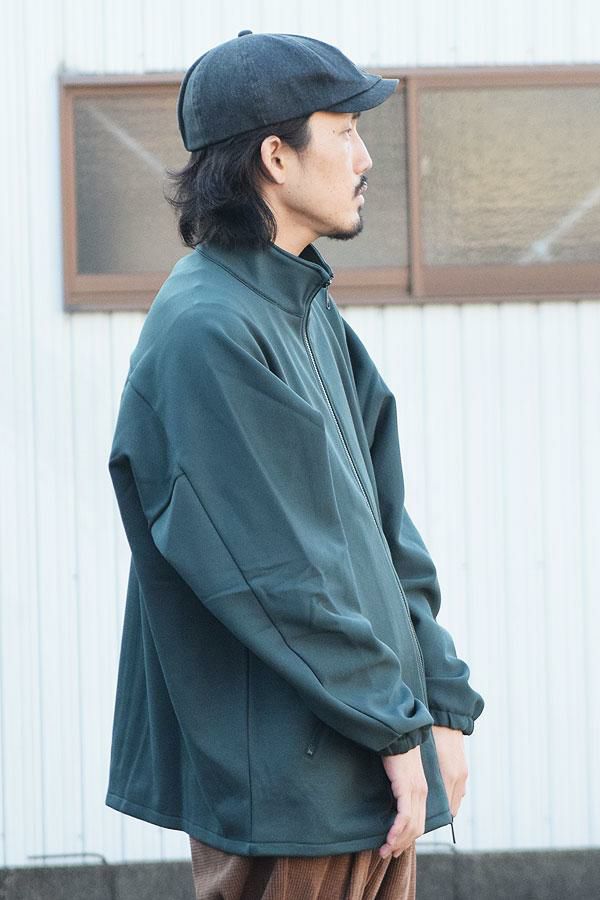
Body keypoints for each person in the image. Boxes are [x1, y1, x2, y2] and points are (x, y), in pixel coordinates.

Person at [106, 30, 485, 900]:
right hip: (290, 788)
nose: (364, 157)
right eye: (344, 131)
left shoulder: (301, 306)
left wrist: (440, 702)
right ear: (276, 157)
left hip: (368, 765)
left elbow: (385, 529)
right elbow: (277, 576)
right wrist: (397, 728)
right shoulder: (207, 329)